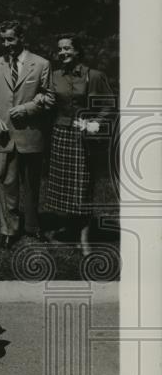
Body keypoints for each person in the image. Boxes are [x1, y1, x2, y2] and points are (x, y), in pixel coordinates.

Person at [0, 21, 55, 247]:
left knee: (32, 185)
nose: (6, 44)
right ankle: (9, 230)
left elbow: (49, 98)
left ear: (21, 38)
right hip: (3, 137)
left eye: (10, 39)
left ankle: (33, 227)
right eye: (3, 40)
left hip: (31, 135)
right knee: (6, 184)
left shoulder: (41, 64)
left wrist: (26, 109)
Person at [44, 34, 113, 256]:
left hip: (83, 136)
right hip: (60, 133)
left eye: (67, 48)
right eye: (60, 49)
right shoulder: (54, 76)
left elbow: (109, 104)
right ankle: (70, 230)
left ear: (77, 51)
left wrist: (95, 123)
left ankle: (84, 238)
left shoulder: (93, 76)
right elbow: (48, 102)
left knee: (82, 187)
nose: (62, 52)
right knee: (65, 186)